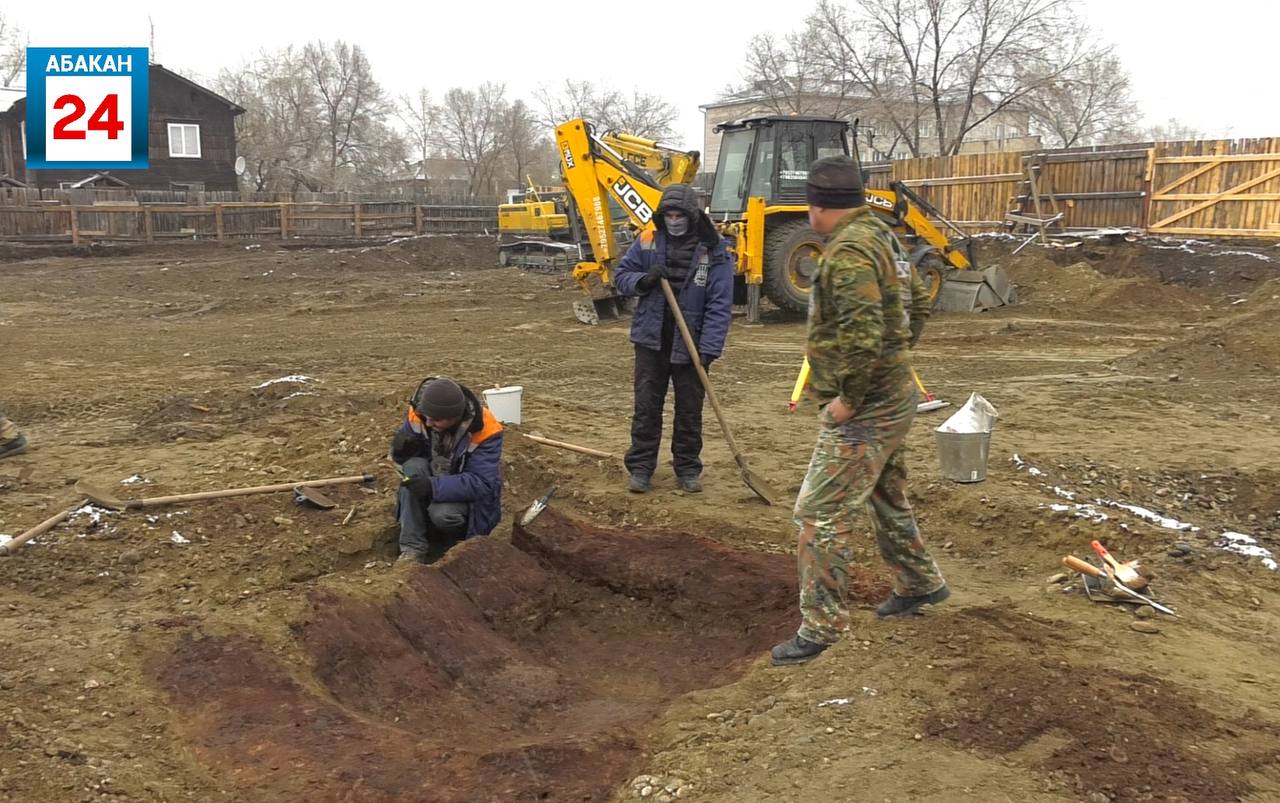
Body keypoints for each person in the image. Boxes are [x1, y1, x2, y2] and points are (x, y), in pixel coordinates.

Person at [771, 156, 949, 667]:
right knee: (885, 492)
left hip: (867, 407)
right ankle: (919, 582)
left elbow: (863, 335)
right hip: (895, 394)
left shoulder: (849, 252)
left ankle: (821, 627)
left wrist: (848, 399)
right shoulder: (883, 236)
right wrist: (901, 354)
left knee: (819, 513)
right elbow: (919, 300)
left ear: (816, 205)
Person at [612, 184, 734, 494]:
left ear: (692, 216)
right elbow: (621, 277)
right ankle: (640, 468)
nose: (675, 219)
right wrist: (645, 279)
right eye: (670, 214)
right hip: (651, 338)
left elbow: (720, 304)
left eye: (681, 215)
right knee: (646, 407)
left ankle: (688, 469)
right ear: (662, 215)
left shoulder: (713, 248)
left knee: (689, 410)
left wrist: (709, 349)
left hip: (691, 342)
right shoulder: (648, 240)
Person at [389, 377, 503, 563]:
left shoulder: (486, 431)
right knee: (412, 469)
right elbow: (404, 456)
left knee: (442, 514)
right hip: (435, 479)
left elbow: (481, 483)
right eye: (427, 417)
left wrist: (432, 487)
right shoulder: (422, 414)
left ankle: (452, 545)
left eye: (435, 420)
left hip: (467, 499)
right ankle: (412, 549)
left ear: (454, 419)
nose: (428, 422)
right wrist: (400, 452)